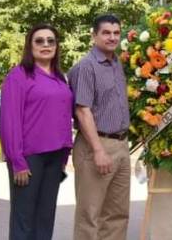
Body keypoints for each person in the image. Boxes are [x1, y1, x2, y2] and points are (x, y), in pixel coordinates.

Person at [0, 24, 75, 240]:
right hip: (28, 158)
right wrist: (17, 161)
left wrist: (64, 154)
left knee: (45, 218)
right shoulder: (19, 76)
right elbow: (9, 121)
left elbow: (63, 117)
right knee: (24, 220)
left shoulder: (61, 78)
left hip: (55, 156)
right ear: (30, 46)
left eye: (51, 41)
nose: (46, 45)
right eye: (39, 40)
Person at [68, 14, 131, 240]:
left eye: (116, 33)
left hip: (121, 146)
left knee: (117, 214)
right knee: (90, 216)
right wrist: (98, 151)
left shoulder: (117, 64)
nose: (112, 37)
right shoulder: (86, 67)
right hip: (96, 146)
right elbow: (82, 111)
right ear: (94, 35)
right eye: (106, 33)